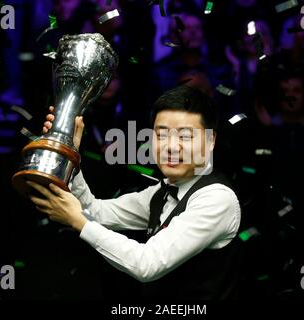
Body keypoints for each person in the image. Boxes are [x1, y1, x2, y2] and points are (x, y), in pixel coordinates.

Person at [26, 85, 242, 299]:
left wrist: (79, 222)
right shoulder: (162, 191)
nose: (171, 147)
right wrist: (70, 150)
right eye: (162, 135)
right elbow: (94, 211)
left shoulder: (216, 198)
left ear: (210, 140)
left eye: (185, 137)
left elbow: (146, 264)